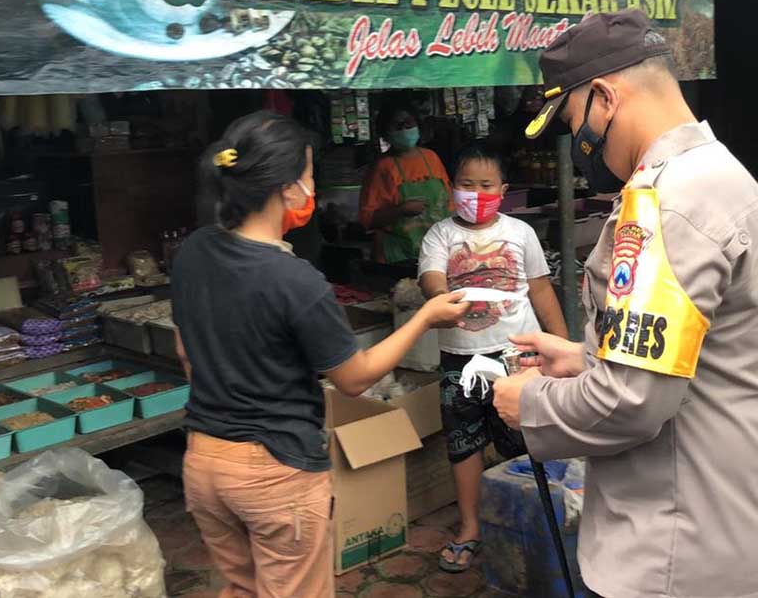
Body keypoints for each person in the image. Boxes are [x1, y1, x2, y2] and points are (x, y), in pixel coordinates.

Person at [491, 11, 758, 598]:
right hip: (741, 533)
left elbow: (628, 403)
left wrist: (526, 403)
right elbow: (701, 354)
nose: (578, 144)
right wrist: (584, 356)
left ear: (604, 98)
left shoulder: (664, 205)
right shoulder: (726, 177)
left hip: (676, 557)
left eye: (573, 121)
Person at [171, 111, 470, 598]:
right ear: (288, 189)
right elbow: (354, 379)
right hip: (275, 472)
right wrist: (424, 318)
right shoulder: (296, 281)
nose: (313, 186)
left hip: (205, 461)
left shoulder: (194, 250)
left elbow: (185, 349)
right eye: (310, 175)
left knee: (241, 589)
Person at [417, 145, 568, 573]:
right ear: (452, 189)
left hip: (516, 357)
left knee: (523, 440)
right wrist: (440, 295)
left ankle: (530, 519)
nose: (476, 193)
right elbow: (431, 278)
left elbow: (540, 289)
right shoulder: (440, 235)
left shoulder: (521, 233)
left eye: (486, 186)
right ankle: (470, 527)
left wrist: (562, 344)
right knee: (463, 442)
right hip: (458, 359)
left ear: (503, 190)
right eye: (467, 185)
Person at [359, 100, 452, 263]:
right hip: (398, 256)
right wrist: (400, 210)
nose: (404, 129)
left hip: (435, 251)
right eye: (397, 126)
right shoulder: (383, 167)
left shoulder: (431, 158)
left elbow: (450, 203)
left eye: (408, 123)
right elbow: (368, 219)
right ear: (385, 133)